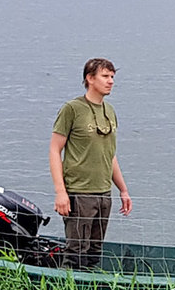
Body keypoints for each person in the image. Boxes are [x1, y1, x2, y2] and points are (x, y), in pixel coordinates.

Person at [48, 57, 134, 269]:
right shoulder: (72, 109)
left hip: (104, 194)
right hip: (80, 193)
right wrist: (61, 192)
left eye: (112, 77)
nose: (111, 81)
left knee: (94, 253)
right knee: (76, 252)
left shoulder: (110, 111)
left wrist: (123, 190)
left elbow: (109, 154)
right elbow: (54, 149)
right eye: (105, 76)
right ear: (90, 78)